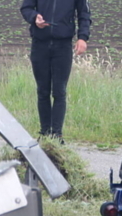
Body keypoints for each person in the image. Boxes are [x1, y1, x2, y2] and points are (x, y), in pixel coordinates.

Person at [19, 0, 91, 139]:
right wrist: (35, 17)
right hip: (40, 44)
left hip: (63, 46)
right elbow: (26, 8)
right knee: (42, 90)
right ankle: (44, 133)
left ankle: (57, 135)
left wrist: (82, 37)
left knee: (59, 91)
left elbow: (84, 14)